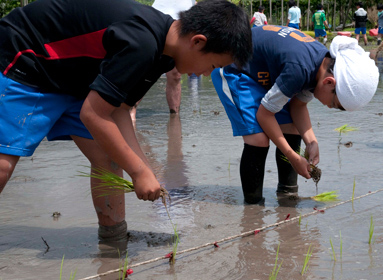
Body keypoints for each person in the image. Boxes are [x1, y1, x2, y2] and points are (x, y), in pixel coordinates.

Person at [0, 0, 252, 241]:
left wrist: (143, 166)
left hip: (72, 75)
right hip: (26, 55)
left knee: (109, 156)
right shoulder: (142, 43)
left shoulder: (163, 54)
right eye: (213, 65)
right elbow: (93, 114)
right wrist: (138, 171)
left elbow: (118, 109)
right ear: (198, 42)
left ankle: (114, 239)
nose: (207, 74)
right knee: (4, 162)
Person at [212, 25, 379, 204]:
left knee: (291, 127)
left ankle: (287, 194)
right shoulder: (299, 70)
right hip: (236, 69)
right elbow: (264, 115)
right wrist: (292, 156)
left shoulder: (319, 67)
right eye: (334, 104)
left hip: (265, 73)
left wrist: (311, 142)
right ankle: (253, 206)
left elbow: (298, 107)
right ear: (329, 82)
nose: (329, 108)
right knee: (258, 138)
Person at [130, 0, 195, 125]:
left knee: (176, 74)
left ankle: (174, 116)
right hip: (161, 15)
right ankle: (130, 109)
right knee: (146, 69)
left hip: (183, 19)